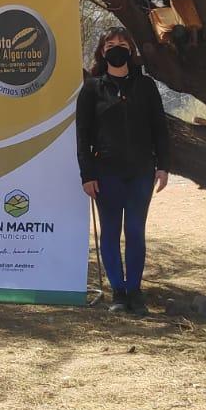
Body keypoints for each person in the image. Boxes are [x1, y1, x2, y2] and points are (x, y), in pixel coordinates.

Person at [76, 27, 170, 315]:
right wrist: (87, 175)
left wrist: (164, 166)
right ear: (102, 52)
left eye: (122, 43)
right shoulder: (92, 88)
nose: (116, 48)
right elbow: (82, 136)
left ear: (131, 50)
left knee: (135, 231)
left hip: (141, 171)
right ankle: (118, 292)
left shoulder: (146, 86)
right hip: (106, 173)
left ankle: (134, 291)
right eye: (110, 44)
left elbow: (160, 128)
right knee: (111, 231)